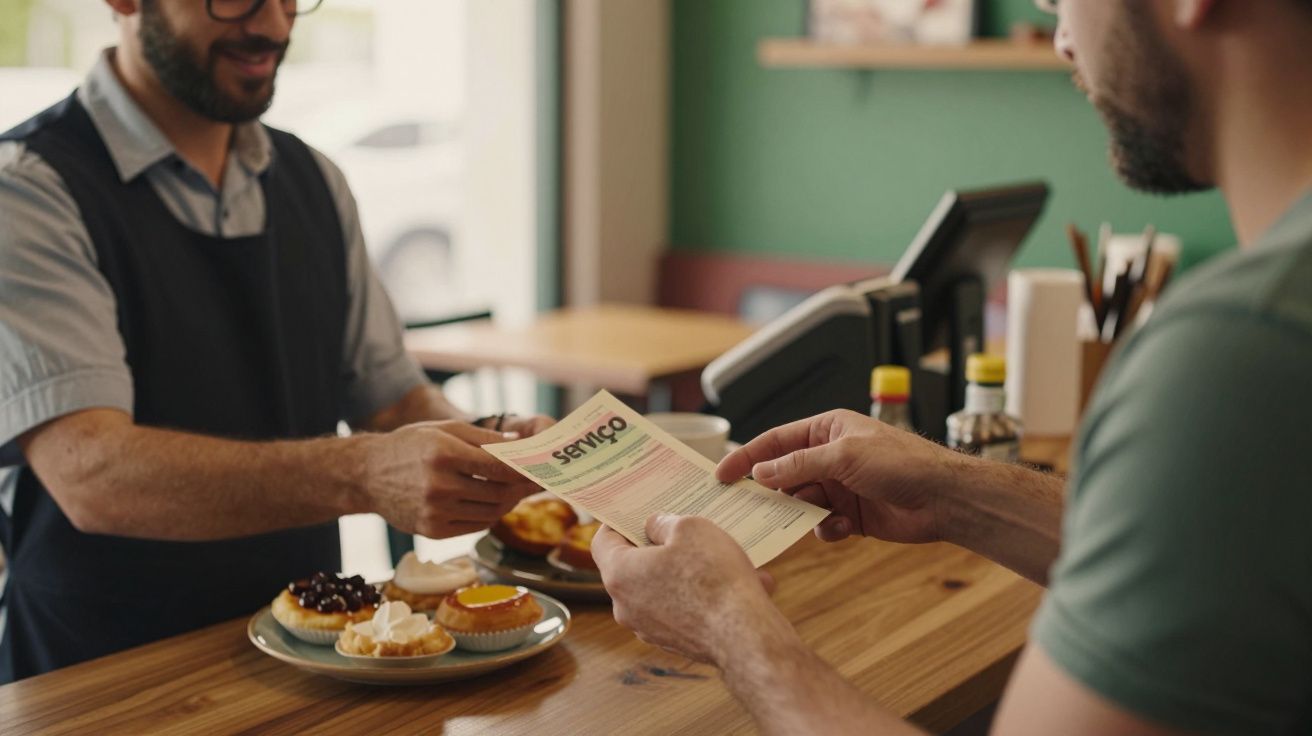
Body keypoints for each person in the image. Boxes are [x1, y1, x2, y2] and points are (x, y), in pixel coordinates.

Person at [594, 0, 1312, 733]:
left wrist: (726, 623)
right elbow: (1209, 568)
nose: (1063, 38)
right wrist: (954, 491)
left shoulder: (1241, 353)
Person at [0, 0, 548, 682]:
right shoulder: (27, 190)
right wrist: (363, 472)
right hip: (100, 684)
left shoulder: (317, 182)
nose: (274, 25)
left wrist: (495, 446)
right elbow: (92, 474)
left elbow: (392, 401)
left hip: (304, 672)